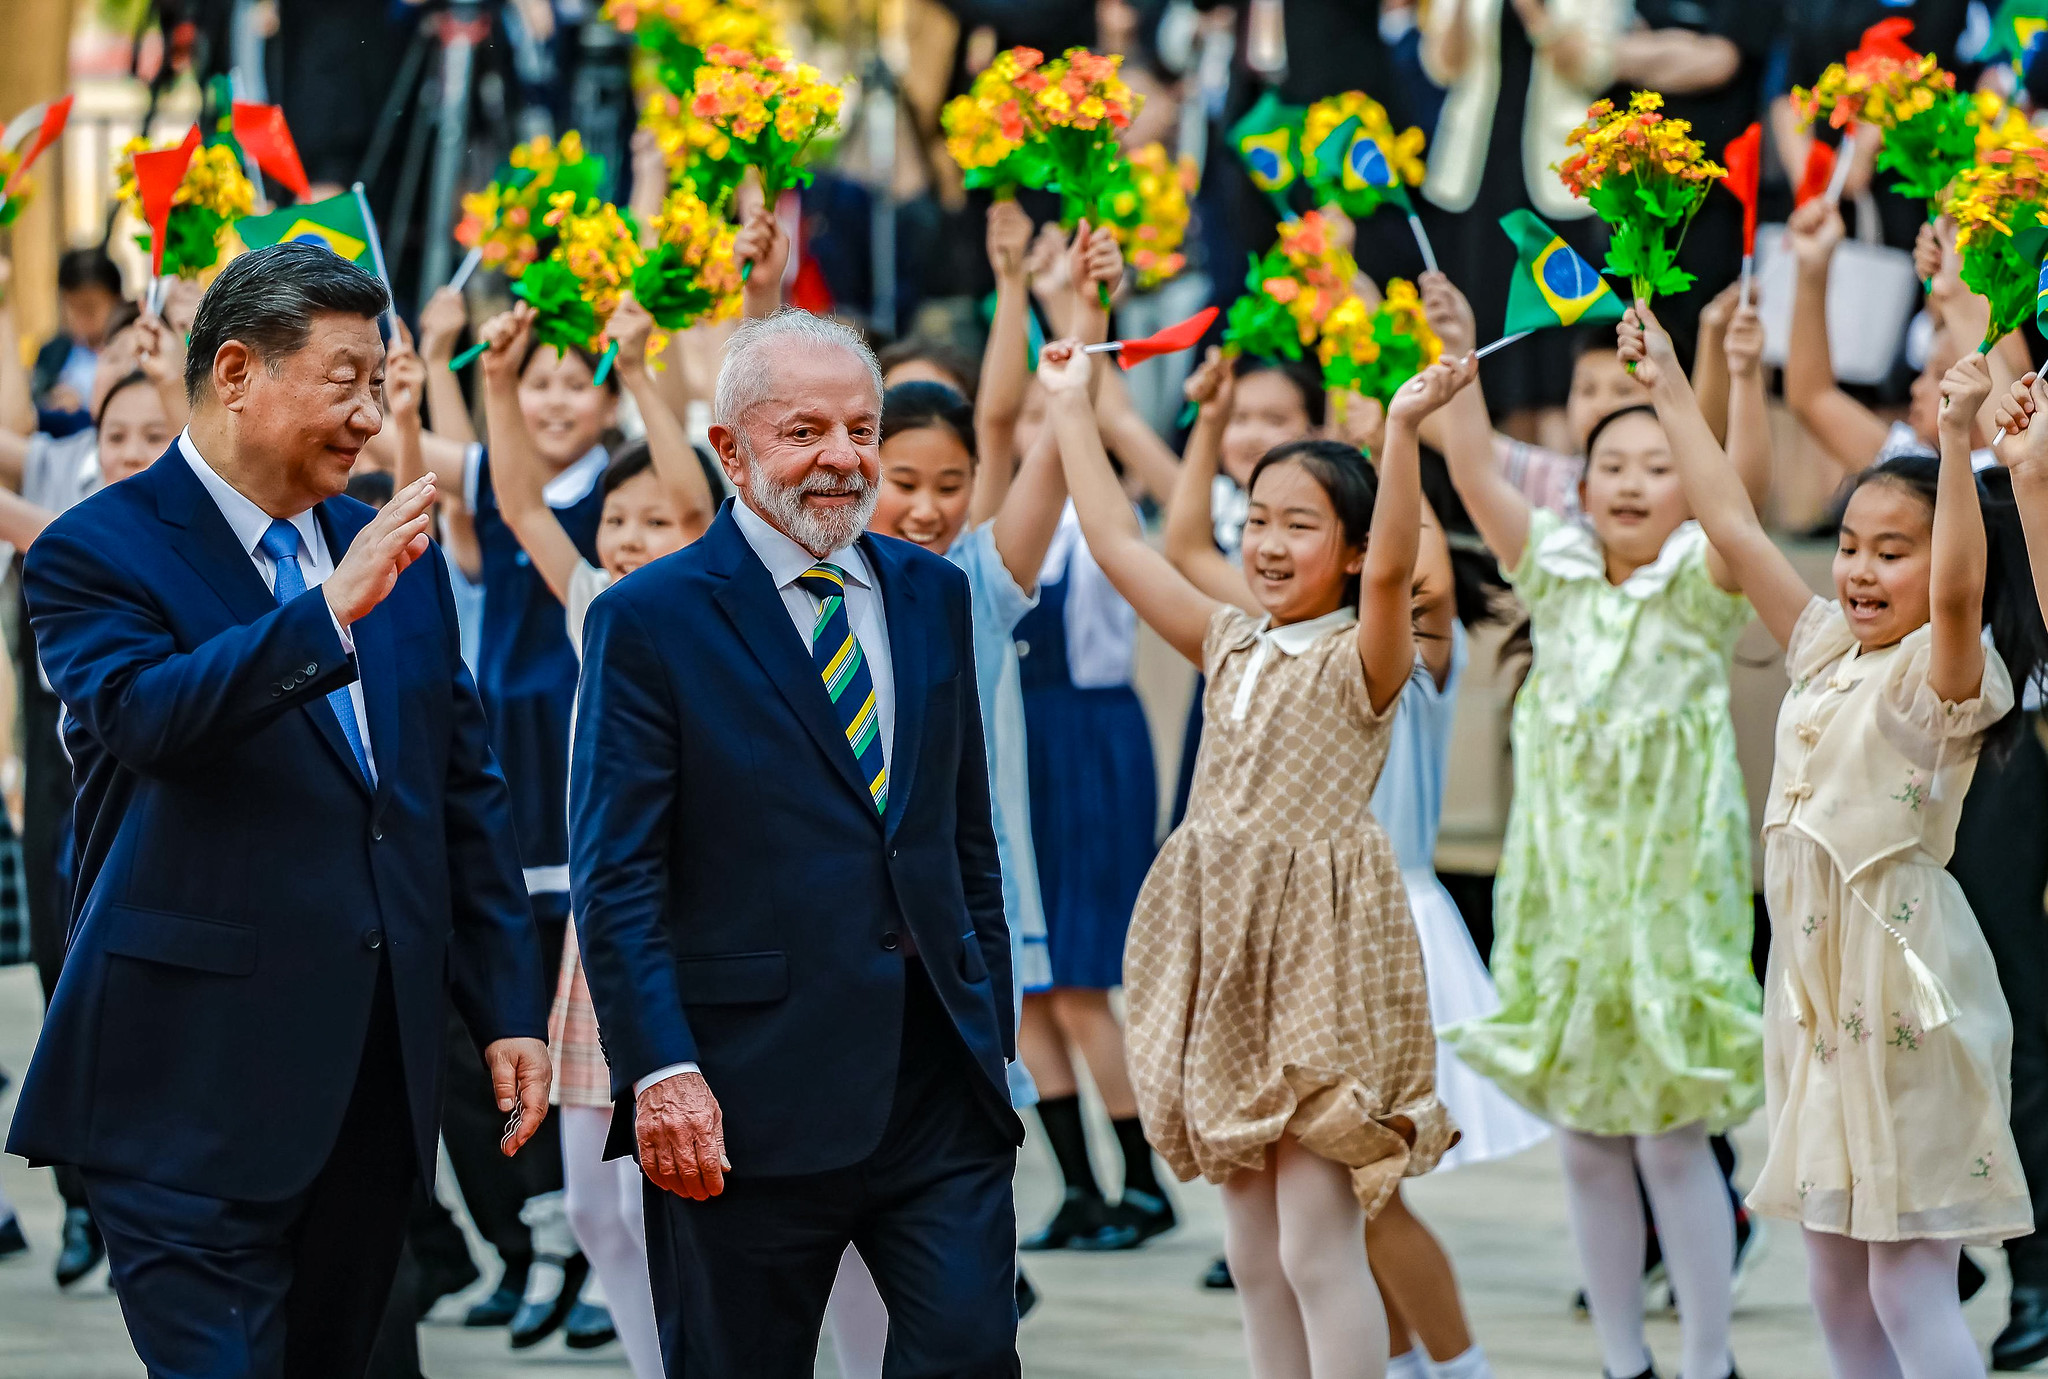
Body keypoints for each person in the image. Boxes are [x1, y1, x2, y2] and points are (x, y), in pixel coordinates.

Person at [2, 240, 551, 1377]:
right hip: (182, 1092)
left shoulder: (377, 541)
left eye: (383, 382)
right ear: (238, 371)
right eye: (347, 379)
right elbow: (148, 718)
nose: (370, 413)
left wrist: (505, 1005)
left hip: (365, 1091)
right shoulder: (96, 549)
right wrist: (324, 618)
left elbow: (456, 789)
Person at [571, 308, 1025, 1377]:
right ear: (728, 448)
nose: (841, 458)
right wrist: (662, 1070)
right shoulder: (651, 618)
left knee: (969, 1352)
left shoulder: (931, 593)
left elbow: (964, 834)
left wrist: (987, 1015)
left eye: (860, 430)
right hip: (739, 1097)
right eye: (804, 430)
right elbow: (618, 872)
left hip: (935, 1087)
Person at [1629, 304, 2044, 1379]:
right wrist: (1670, 383)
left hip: (1903, 993)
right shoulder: (1821, 647)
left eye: (1888, 552)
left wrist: (1953, 444)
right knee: (1831, 1277)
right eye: (1850, 546)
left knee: (1906, 1281)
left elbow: (1956, 587)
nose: (1858, 570)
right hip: (1811, 995)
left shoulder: (1941, 676)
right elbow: (1729, 523)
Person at [1050, 328, 1469, 1379]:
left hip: (1318, 959)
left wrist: (1406, 428)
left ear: (1358, 546)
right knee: (1249, 1247)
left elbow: (1392, 581)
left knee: (1315, 1243)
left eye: (1301, 525)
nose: (1271, 544)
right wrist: (1068, 402)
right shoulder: (1230, 638)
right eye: (1262, 522)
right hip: (1222, 950)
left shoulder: (1362, 652)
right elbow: (1118, 540)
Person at [1435, 284, 1766, 1379]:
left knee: (1671, 1137)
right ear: (1578, 485)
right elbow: (1474, 469)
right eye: (1609, 467)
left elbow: (1743, 497)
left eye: (1656, 465)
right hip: (1566, 900)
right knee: (1584, 1139)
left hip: (1672, 906)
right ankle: (1622, 1361)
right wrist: (1453, 354)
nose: (1628, 482)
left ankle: (1707, 1357)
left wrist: (1712, 379)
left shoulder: (1700, 583)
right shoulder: (1556, 571)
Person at [476, 291, 716, 1379]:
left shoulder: (708, 611)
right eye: (616, 521)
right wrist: (491, 380)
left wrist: (638, 373)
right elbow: (522, 503)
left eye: (649, 521)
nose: (627, 535)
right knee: (589, 1200)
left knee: (651, 1188)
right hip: (593, 927)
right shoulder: (594, 606)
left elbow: (697, 504)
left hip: (682, 921)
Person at [31, 248, 126, 434]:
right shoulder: (52, 352)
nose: (81, 321)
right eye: (72, 309)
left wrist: (83, 406)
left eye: (89, 309)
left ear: (117, 300)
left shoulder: (132, 350)